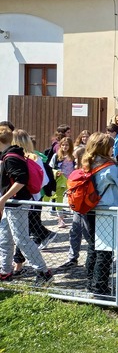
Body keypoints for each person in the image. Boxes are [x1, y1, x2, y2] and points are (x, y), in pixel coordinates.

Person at [0, 122, 54, 286]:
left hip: (16, 204)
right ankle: (5, 271)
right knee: (5, 238)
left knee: (22, 239)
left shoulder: (11, 158)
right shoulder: (10, 155)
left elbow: (21, 180)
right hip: (10, 204)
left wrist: (3, 199)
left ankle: (44, 272)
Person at [79, 131, 118, 295]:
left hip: (89, 209)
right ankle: (100, 286)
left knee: (93, 247)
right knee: (105, 250)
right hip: (107, 210)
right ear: (105, 148)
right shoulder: (110, 167)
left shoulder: (86, 163)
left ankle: (90, 282)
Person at [10, 129, 56, 275]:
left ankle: (20, 266)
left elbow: (42, 180)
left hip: (26, 199)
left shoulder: (28, 158)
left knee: (22, 234)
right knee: (23, 233)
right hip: (32, 198)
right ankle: (17, 265)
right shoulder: (33, 157)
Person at [49, 136, 76, 228]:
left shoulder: (73, 157)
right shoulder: (56, 156)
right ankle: (60, 219)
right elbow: (50, 168)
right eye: (63, 145)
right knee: (59, 199)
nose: (65, 147)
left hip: (71, 181)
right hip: (60, 181)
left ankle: (75, 219)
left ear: (70, 146)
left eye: (67, 145)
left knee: (72, 199)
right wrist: (56, 172)